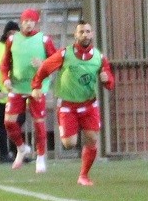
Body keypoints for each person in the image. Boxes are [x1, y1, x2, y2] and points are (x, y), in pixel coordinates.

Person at [29, 20, 114, 186]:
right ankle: (71, 131)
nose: (85, 35)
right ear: (75, 35)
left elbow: (110, 82)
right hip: (68, 106)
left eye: (88, 31)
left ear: (92, 34)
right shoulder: (65, 54)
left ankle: (84, 176)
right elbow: (45, 68)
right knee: (69, 143)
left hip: (89, 104)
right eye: (81, 32)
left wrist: (107, 80)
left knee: (92, 138)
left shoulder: (99, 57)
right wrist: (36, 86)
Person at [1, 8, 57, 172]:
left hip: (37, 86)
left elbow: (56, 61)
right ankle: (21, 148)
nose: (29, 24)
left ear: (36, 22)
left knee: (39, 122)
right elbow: (5, 63)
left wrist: (43, 64)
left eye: (32, 21)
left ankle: (40, 157)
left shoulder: (44, 40)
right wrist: (5, 78)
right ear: (21, 22)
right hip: (18, 86)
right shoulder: (12, 40)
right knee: (9, 122)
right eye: (26, 21)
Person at [0, 20, 20, 162]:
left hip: (19, 94)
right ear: (5, 34)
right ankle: (3, 154)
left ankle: (17, 152)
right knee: (2, 125)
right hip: (3, 94)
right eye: (10, 33)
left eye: (15, 33)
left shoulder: (21, 48)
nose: (12, 35)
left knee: (17, 124)